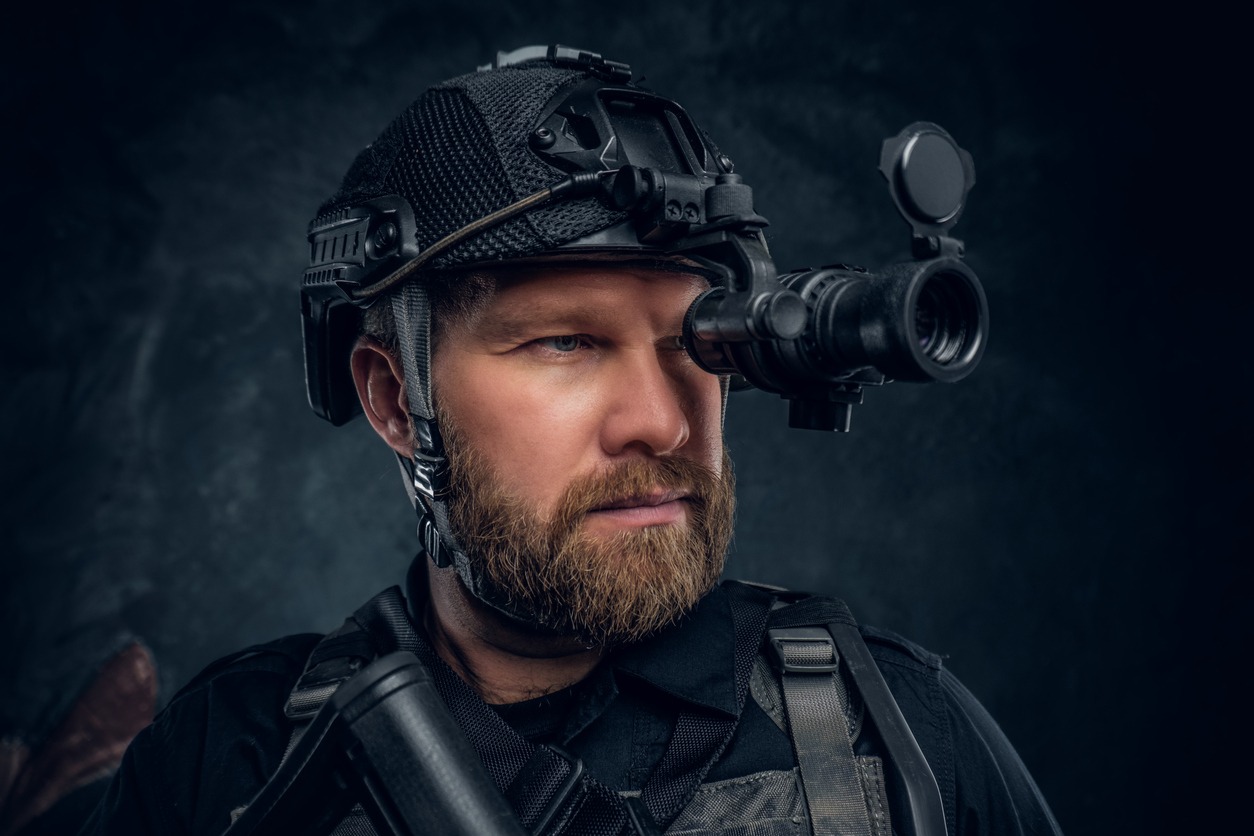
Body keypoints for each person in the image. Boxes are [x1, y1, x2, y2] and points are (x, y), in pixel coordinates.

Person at [81, 46, 1062, 836]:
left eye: (695, 340)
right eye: (567, 342)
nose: (662, 421)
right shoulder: (231, 762)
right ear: (393, 399)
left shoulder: (902, 734)